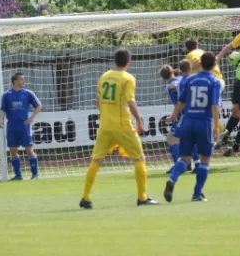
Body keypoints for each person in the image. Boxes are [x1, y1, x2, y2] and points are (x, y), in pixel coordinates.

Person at [80, 48, 158, 208]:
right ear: (129, 61)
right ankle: (142, 198)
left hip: (105, 126)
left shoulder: (104, 76)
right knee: (139, 158)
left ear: (115, 61)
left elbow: (98, 101)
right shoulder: (128, 78)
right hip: (123, 126)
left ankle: (86, 198)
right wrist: (139, 120)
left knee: (97, 160)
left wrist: (106, 116)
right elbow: (130, 101)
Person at [163, 51, 222, 203]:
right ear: (214, 64)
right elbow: (215, 106)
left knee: (184, 158)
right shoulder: (214, 82)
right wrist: (216, 127)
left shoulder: (189, 80)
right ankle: (197, 194)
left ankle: (172, 178)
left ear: (200, 63)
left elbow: (180, 103)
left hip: (188, 121)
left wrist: (174, 116)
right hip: (204, 122)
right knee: (204, 160)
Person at [0, 72, 41, 180]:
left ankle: (35, 174)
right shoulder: (7, 95)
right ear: (15, 81)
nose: (23, 81)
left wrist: (31, 118)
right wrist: (0, 120)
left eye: (23, 79)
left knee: (29, 149)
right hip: (12, 126)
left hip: (24, 126)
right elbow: (2, 110)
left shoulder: (28, 93)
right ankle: (18, 175)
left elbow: (39, 106)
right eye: (21, 79)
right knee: (13, 150)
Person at [185, 38, 225, 134]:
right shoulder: (203, 52)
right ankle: (218, 130)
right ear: (197, 45)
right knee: (211, 107)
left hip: (208, 81)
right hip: (219, 80)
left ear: (187, 48)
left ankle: (219, 130)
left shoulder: (189, 56)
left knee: (207, 108)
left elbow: (189, 69)